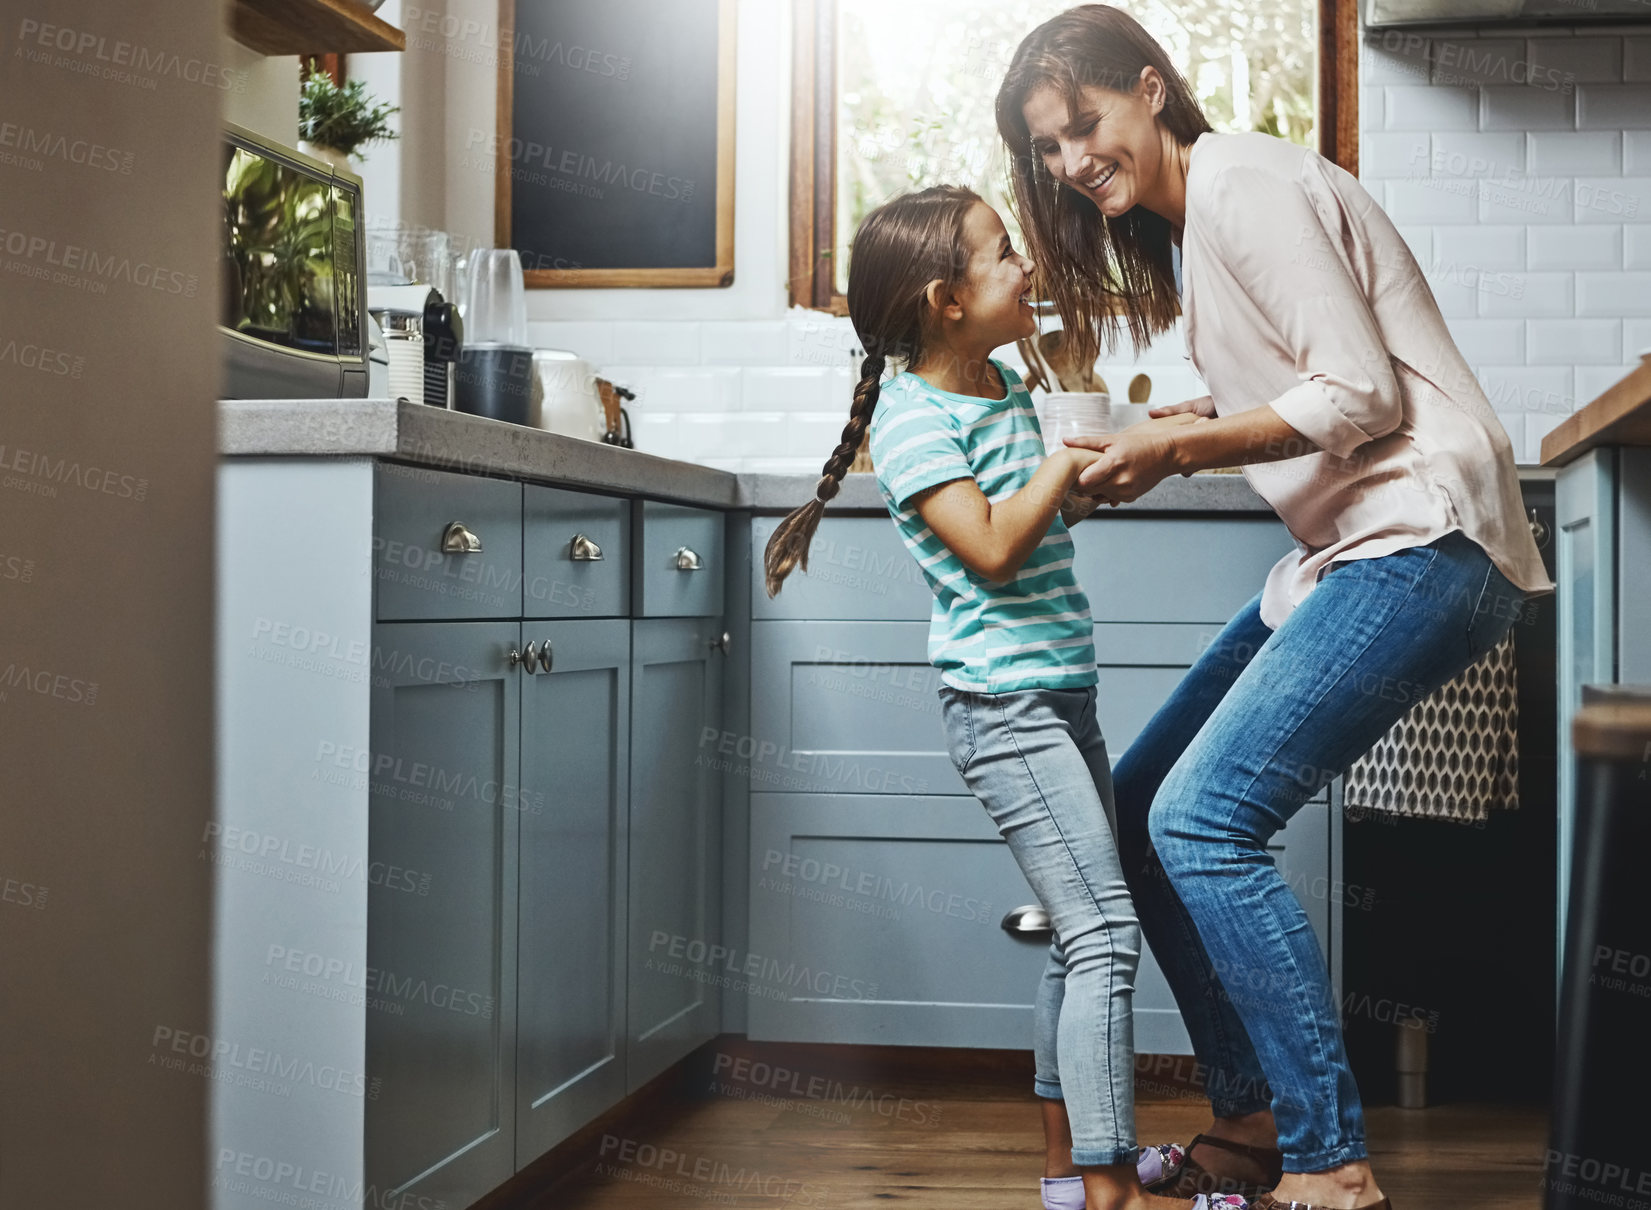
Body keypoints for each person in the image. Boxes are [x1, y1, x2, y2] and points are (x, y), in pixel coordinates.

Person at [993, 7, 1554, 1210]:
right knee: (1140, 803)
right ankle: (1247, 1119)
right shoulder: (1200, 222)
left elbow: (1354, 393)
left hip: (1421, 537)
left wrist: (1175, 451)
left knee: (1200, 819)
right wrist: (1174, 426)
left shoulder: (1239, 182)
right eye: (1046, 148)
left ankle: (1329, 1161)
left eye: (1082, 125)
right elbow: (1302, 374)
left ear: (1149, 89)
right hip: (1354, 547)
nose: (1070, 161)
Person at [762, 184, 1245, 1210]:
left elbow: (1048, 512)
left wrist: (1150, 438)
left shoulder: (1000, 385)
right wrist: (1066, 457)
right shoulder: (910, 417)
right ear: (945, 296)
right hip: (1003, 709)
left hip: (1060, 692)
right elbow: (987, 548)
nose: (1026, 265)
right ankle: (1109, 1184)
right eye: (1002, 254)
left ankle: (1065, 1174)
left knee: (1080, 931)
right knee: (1107, 930)